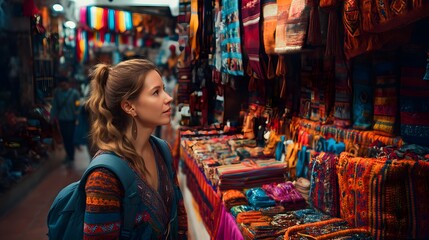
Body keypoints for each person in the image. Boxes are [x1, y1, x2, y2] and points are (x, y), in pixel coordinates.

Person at [84, 59, 187, 239]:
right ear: (129, 106)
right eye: (156, 92)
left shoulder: (161, 150)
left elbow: (180, 219)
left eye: (163, 89)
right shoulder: (104, 177)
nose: (168, 98)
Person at [50, 76, 80, 164]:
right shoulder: (57, 93)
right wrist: (52, 117)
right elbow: (54, 106)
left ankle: (71, 155)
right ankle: (68, 154)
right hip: (62, 120)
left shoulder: (74, 93)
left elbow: (78, 104)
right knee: (65, 138)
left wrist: (77, 115)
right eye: (61, 84)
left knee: (70, 138)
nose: (63, 86)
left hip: (71, 120)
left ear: (68, 84)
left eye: (64, 84)